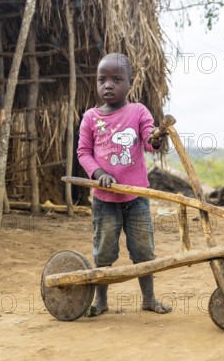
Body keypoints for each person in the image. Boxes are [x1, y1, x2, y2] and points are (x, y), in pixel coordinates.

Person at [77, 52, 172, 317]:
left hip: (136, 199)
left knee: (143, 250)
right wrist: (98, 174)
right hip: (104, 201)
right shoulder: (90, 118)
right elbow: (83, 152)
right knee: (104, 252)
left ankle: (149, 298)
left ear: (130, 84)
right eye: (102, 79)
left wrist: (156, 139)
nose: (108, 85)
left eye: (116, 79)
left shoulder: (138, 111)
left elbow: (149, 141)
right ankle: (101, 300)